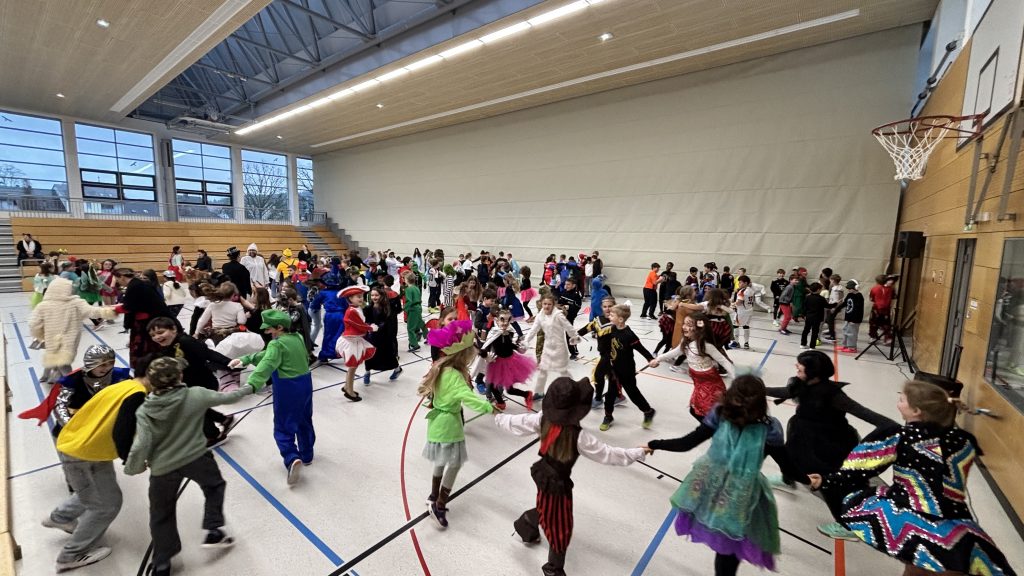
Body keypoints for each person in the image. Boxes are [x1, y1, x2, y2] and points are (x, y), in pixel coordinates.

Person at [811, 381, 1016, 576]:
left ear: (916, 411)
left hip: (912, 516)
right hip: (958, 528)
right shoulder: (963, 441)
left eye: (902, 399)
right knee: (944, 565)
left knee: (918, 564)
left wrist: (826, 480)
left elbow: (857, 470)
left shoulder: (900, 438)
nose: (898, 402)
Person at [644, 375, 809, 576]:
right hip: (741, 495)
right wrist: (810, 480)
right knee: (730, 545)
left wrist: (655, 444)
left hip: (709, 485)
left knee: (722, 542)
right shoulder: (770, 428)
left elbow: (686, 443)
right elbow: (788, 467)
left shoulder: (720, 414)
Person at [125, 357, 262, 576]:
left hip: (162, 469)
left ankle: (162, 562)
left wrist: (133, 467)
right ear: (179, 376)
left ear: (151, 381)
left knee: (161, 513)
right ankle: (213, 529)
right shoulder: (195, 395)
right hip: (197, 458)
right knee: (214, 486)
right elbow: (230, 397)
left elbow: (142, 443)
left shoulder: (145, 410)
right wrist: (251, 385)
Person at [497, 376, 646, 576]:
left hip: (543, 475)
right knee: (560, 526)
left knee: (546, 508)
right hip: (556, 484)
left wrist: (499, 417)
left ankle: (525, 524)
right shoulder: (579, 437)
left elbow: (518, 422)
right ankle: (553, 569)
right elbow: (608, 454)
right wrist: (638, 452)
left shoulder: (542, 418)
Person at [42, 354, 150, 573]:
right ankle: (70, 555)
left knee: (97, 491)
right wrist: (134, 460)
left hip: (85, 446)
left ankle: (60, 517)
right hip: (82, 453)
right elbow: (123, 433)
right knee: (106, 505)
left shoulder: (124, 385)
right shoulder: (136, 394)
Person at [765, 350, 896, 487]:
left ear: (813, 372)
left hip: (827, 438)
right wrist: (761, 388)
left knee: (826, 468)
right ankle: (788, 479)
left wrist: (894, 430)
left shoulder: (834, 395)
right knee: (791, 456)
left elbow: (865, 413)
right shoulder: (801, 383)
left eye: (800, 365)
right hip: (802, 431)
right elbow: (786, 392)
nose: (796, 366)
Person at [418, 320, 495, 528]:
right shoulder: (454, 375)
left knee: (441, 460)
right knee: (454, 463)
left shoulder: (442, 368)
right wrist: (489, 407)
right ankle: (440, 504)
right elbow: (467, 396)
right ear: (464, 355)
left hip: (437, 423)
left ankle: (433, 495)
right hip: (449, 425)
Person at [230, 310, 314, 485]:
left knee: (283, 427)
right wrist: (246, 359)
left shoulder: (276, 344)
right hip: (306, 385)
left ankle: (292, 458)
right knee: (304, 420)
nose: (267, 332)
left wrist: (252, 384)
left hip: (288, 388)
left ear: (280, 327)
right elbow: (268, 355)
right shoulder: (297, 337)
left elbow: (268, 362)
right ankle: (307, 454)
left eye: (269, 329)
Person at [148, 317, 238, 447]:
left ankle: (214, 435)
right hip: (188, 384)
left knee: (193, 410)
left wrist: (229, 362)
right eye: (153, 335)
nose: (157, 337)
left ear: (173, 329)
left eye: (160, 332)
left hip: (203, 382)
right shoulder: (165, 348)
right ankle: (224, 419)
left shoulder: (186, 342)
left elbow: (208, 353)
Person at [30, 278, 117, 384]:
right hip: (69, 338)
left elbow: (34, 324)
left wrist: (39, 335)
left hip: (51, 339)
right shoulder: (75, 303)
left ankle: (56, 378)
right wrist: (109, 311)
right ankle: (70, 383)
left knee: (57, 359)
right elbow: (92, 311)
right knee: (63, 362)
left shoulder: (43, 305)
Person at [651, 312, 734, 421]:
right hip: (698, 382)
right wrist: (658, 359)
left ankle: (713, 428)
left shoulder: (706, 346)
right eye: (684, 324)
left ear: (699, 328)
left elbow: (724, 361)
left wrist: (736, 379)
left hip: (710, 383)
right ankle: (712, 427)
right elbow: (675, 352)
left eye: (689, 325)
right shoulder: (685, 341)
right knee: (696, 410)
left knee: (706, 412)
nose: (684, 327)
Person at [599, 304, 657, 431]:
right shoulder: (612, 329)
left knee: (633, 394)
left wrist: (650, 359)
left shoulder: (629, 335)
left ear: (620, 319)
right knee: (610, 395)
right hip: (614, 370)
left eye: (612, 315)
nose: (609, 316)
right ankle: (608, 416)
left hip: (627, 371)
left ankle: (648, 411)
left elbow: (641, 349)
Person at [480, 307, 536, 410]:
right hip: (496, 362)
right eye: (502, 319)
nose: (505, 323)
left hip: (509, 362)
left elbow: (510, 344)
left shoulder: (510, 332)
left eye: (508, 320)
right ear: (497, 320)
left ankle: (527, 394)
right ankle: (501, 402)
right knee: (492, 386)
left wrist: (518, 348)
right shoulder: (493, 332)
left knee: (509, 390)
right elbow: (486, 346)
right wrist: (485, 355)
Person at [525, 293, 579, 398]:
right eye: (544, 304)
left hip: (559, 348)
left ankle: (573, 389)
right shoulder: (540, 315)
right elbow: (533, 329)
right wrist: (526, 341)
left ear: (553, 305)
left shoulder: (558, 315)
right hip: (547, 346)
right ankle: (539, 392)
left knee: (563, 371)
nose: (546, 306)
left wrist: (574, 337)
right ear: (541, 304)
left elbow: (569, 327)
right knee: (543, 370)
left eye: (549, 304)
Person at [336, 285, 376, 402]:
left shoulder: (356, 308)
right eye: (358, 296)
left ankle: (347, 386)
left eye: (362, 296)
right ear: (350, 298)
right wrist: (371, 328)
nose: (361, 298)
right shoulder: (351, 311)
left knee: (353, 367)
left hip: (355, 340)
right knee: (352, 367)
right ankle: (350, 391)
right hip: (351, 342)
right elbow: (359, 325)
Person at [363, 285, 402, 383]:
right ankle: (367, 372)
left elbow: (389, 323)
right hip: (371, 336)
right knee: (369, 355)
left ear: (381, 296)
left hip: (384, 337)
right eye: (372, 295)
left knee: (387, 355)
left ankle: (397, 369)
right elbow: (366, 320)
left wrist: (380, 327)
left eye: (376, 295)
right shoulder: (368, 308)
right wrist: (369, 327)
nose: (374, 297)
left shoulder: (387, 309)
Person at [731, 275, 769, 350]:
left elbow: (739, 302)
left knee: (735, 325)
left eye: (740, 282)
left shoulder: (742, 291)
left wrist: (732, 304)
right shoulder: (751, 290)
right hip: (749, 311)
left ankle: (736, 342)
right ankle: (746, 343)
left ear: (745, 283)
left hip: (741, 312)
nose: (739, 284)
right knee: (746, 326)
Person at [869, 274, 896, 344]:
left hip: (884, 309)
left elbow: (893, 299)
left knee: (885, 324)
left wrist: (891, 308)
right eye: (889, 280)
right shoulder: (875, 288)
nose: (891, 282)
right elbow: (872, 298)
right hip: (877, 309)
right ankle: (873, 336)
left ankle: (886, 338)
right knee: (874, 323)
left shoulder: (891, 289)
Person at [403, 270, 426, 351]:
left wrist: (404, 309)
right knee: (421, 323)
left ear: (407, 280)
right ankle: (429, 337)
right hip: (419, 307)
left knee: (410, 328)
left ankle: (414, 344)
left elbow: (409, 301)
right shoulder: (416, 288)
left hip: (413, 309)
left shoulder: (408, 289)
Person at [839, 279, 864, 353]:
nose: (848, 290)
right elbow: (845, 303)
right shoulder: (849, 294)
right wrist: (837, 308)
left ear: (856, 288)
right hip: (848, 317)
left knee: (852, 333)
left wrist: (854, 320)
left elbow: (859, 310)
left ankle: (852, 348)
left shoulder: (859, 296)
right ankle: (845, 345)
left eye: (850, 289)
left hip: (854, 319)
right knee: (845, 331)